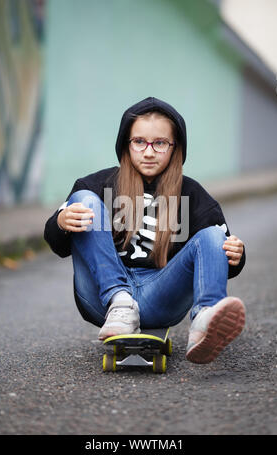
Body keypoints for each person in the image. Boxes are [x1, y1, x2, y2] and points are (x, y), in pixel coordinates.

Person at [44, 97, 246, 364]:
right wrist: (61, 222)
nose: (149, 152)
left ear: (175, 148)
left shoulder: (193, 195)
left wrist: (236, 254)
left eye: (160, 143)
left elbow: (222, 259)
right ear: (126, 145)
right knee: (83, 200)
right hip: (103, 301)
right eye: (139, 142)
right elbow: (57, 244)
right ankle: (121, 301)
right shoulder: (97, 185)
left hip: (161, 297)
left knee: (213, 235)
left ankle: (206, 319)